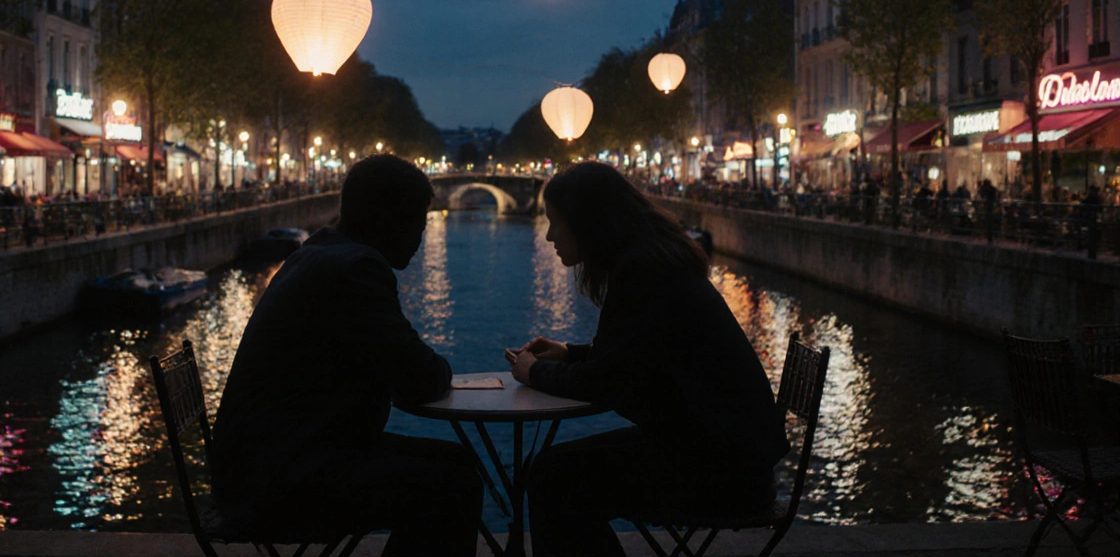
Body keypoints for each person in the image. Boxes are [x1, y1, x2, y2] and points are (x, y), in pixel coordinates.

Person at [510, 161, 789, 557]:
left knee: (551, 477)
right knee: (556, 472)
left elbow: (607, 383)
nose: (550, 235)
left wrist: (535, 371)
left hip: (720, 473)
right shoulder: (656, 265)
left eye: (556, 222)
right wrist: (571, 354)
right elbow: (639, 358)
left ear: (588, 223)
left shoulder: (642, 273)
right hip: (732, 458)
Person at [211, 155, 482, 556]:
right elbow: (420, 376)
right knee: (453, 485)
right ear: (389, 220)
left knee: (456, 463)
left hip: (266, 459)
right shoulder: (356, 270)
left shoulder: (318, 253)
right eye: (417, 225)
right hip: (282, 479)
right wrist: (434, 366)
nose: (419, 240)